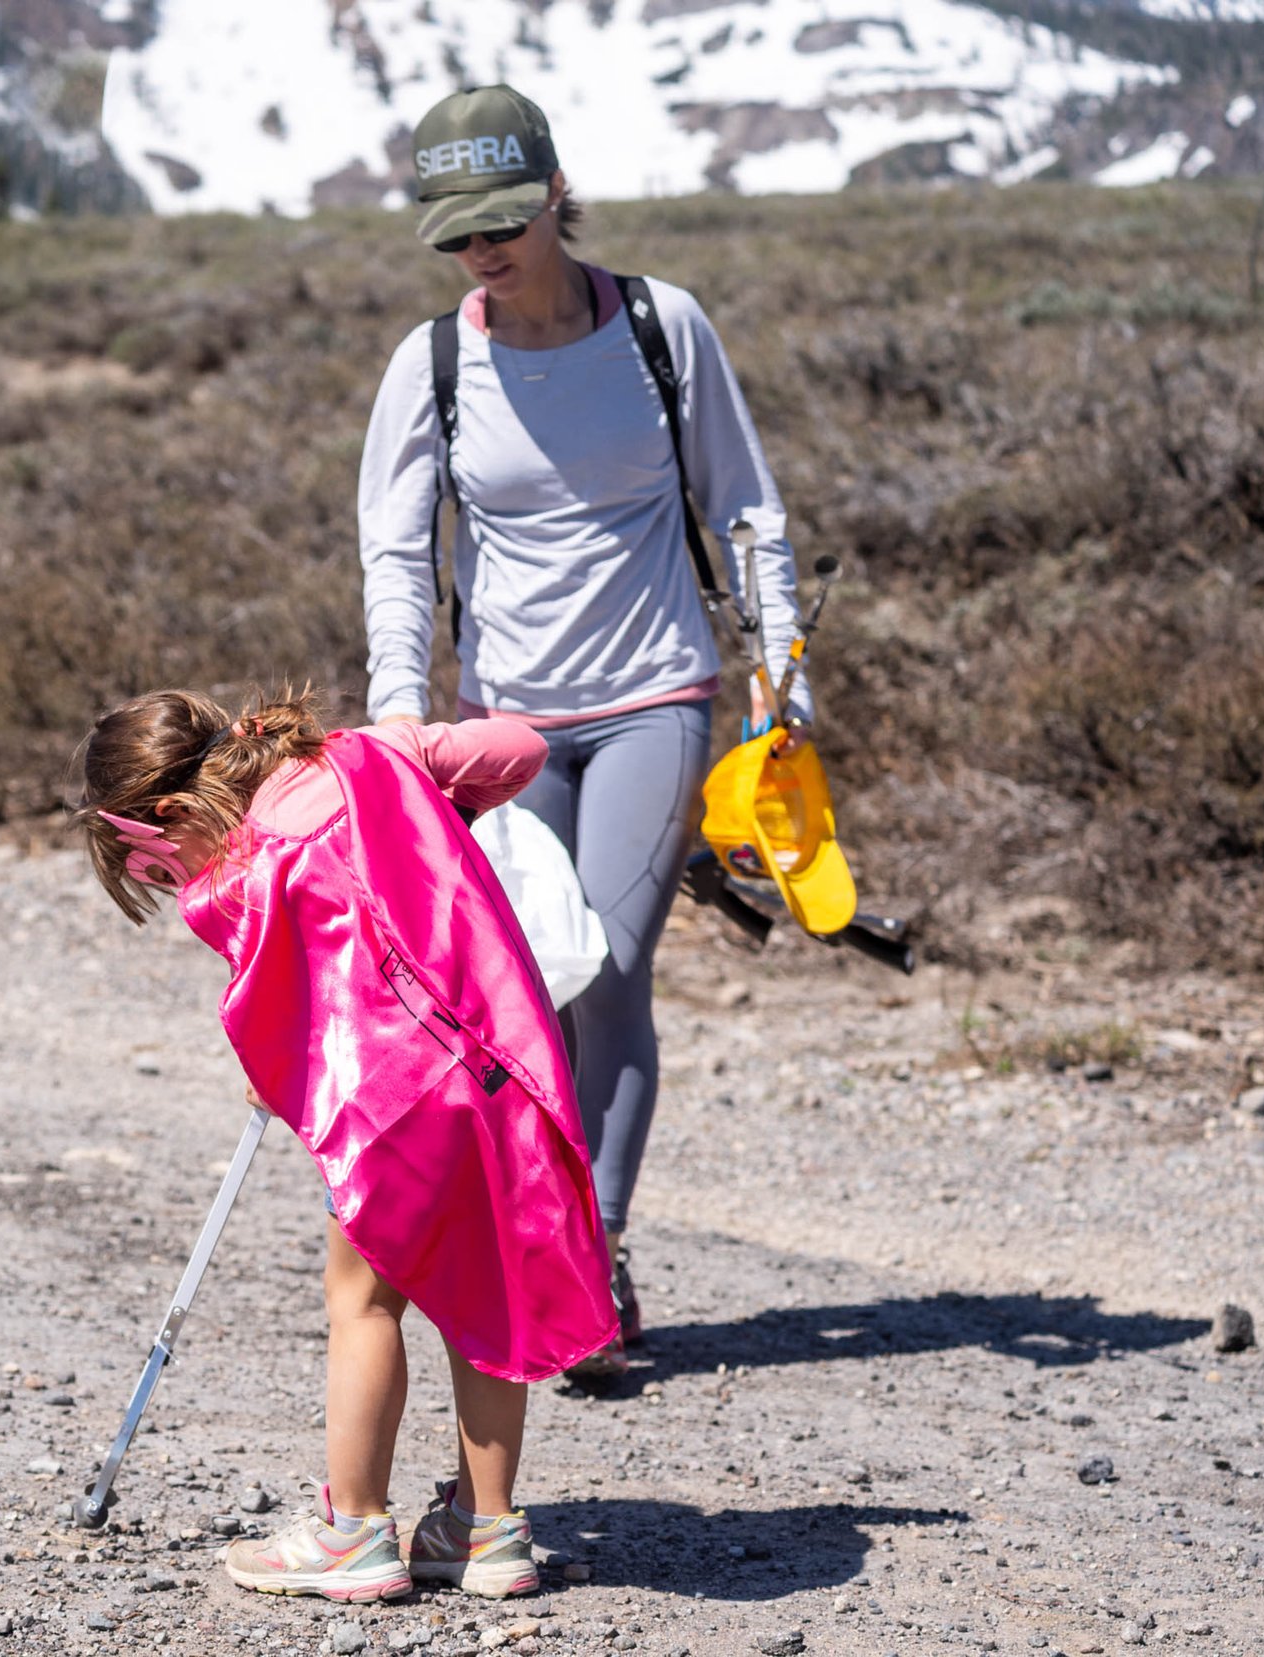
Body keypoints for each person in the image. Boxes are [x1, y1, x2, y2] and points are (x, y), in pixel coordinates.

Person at [359, 85, 818, 1380]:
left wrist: (780, 671)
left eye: (502, 221)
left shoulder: (665, 329)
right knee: (524, 988)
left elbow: (746, 508)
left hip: (654, 697)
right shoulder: (431, 366)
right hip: (500, 725)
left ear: (555, 192)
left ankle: (591, 1254)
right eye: (457, 233)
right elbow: (396, 551)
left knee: (608, 965)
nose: (481, 251)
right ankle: (545, 1240)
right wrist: (400, 712)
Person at [75, 688, 616, 1603]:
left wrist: (275, 1059)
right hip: (494, 1068)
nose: (174, 880)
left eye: (154, 861)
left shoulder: (247, 868)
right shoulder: (371, 759)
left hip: (391, 1106)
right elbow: (521, 748)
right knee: (486, 1294)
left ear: (169, 812)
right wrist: (432, 780)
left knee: (364, 1301)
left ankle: (355, 1529)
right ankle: (487, 1530)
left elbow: (306, 999)